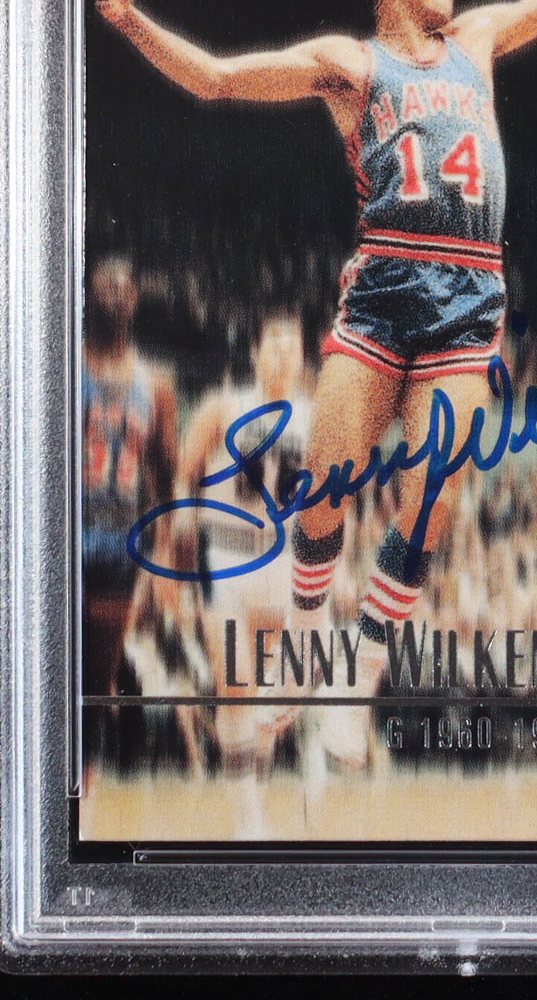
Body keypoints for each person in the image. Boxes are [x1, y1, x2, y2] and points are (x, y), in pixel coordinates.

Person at [96, 0, 537, 765]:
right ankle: (308, 651)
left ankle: (358, 677)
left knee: (431, 504)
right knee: (323, 493)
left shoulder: (476, 39)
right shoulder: (350, 63)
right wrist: (131, 22)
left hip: (468, 299)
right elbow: (218, 79)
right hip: (383, 290)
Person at [175, 310, 312, 779]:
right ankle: (246, 810)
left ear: (302, 358)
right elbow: (185, 474)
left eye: (291, 346)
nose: (282, 354)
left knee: (268, 694)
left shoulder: (314, 419)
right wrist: (181, 539)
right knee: (235, 686)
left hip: (282, 557)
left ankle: (258, 793)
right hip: (226, 553)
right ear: (254, 352)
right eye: (273, 343)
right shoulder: (222, 406)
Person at [82, 256, 178, 766]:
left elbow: (167, 480)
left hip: (119, 545)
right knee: (54, 670)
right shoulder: (65, 367)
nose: (115, 292)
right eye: (105, 284)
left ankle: (84, 789)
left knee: (97, 685)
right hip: (67, 539)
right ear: (88, 294)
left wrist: (160, 561)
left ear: (136, 298)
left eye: (124, 285)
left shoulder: (156, 381)